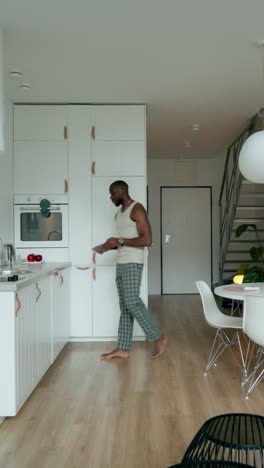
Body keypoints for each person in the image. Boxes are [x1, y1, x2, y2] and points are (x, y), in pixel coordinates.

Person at [96, 180, 168, 360]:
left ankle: (158, 337)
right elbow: (125, 240)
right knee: (125, 306)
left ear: (121, 191)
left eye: (112, 193)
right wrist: (109, 246)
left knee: (131, 301)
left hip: (133, 261)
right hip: (121, 261)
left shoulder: (137, 209)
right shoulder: (118, 215)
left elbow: (147, 240)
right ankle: (123, 348)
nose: (110, 197)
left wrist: (119, 241)